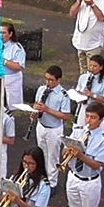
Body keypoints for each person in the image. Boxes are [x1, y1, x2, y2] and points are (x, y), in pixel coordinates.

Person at [31, 65, 72, 196]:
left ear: (58, 80)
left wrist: (47, 110)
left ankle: (52, 183)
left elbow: (66, 115)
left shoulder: (63, 95)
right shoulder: (41, 89)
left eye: (51, 80)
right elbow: (36, 104)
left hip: (54, 129)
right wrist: (34, 111)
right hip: (41, 125)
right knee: (41, 154)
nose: (48, 82)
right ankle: (42, 179)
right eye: (46, 79)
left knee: (52, 156)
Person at [68, 0, 104, 76]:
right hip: (80, 42)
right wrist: (79, 1)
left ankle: (91, 88)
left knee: (93, 71)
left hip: (93, 44)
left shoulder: (103, 2)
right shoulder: (82, 1)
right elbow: (72, 13)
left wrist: (92, 4)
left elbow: (102, 18)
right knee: (83, 72)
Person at [72, 54, 104, 135]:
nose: (91, 68)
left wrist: (92, 95)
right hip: (83, 107)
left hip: (97, 109)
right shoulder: (83, 77)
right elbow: (78, 90)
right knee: (79, 130)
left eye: (95, 66)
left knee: (95, 132)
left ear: (101, 67)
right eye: (90, 65)